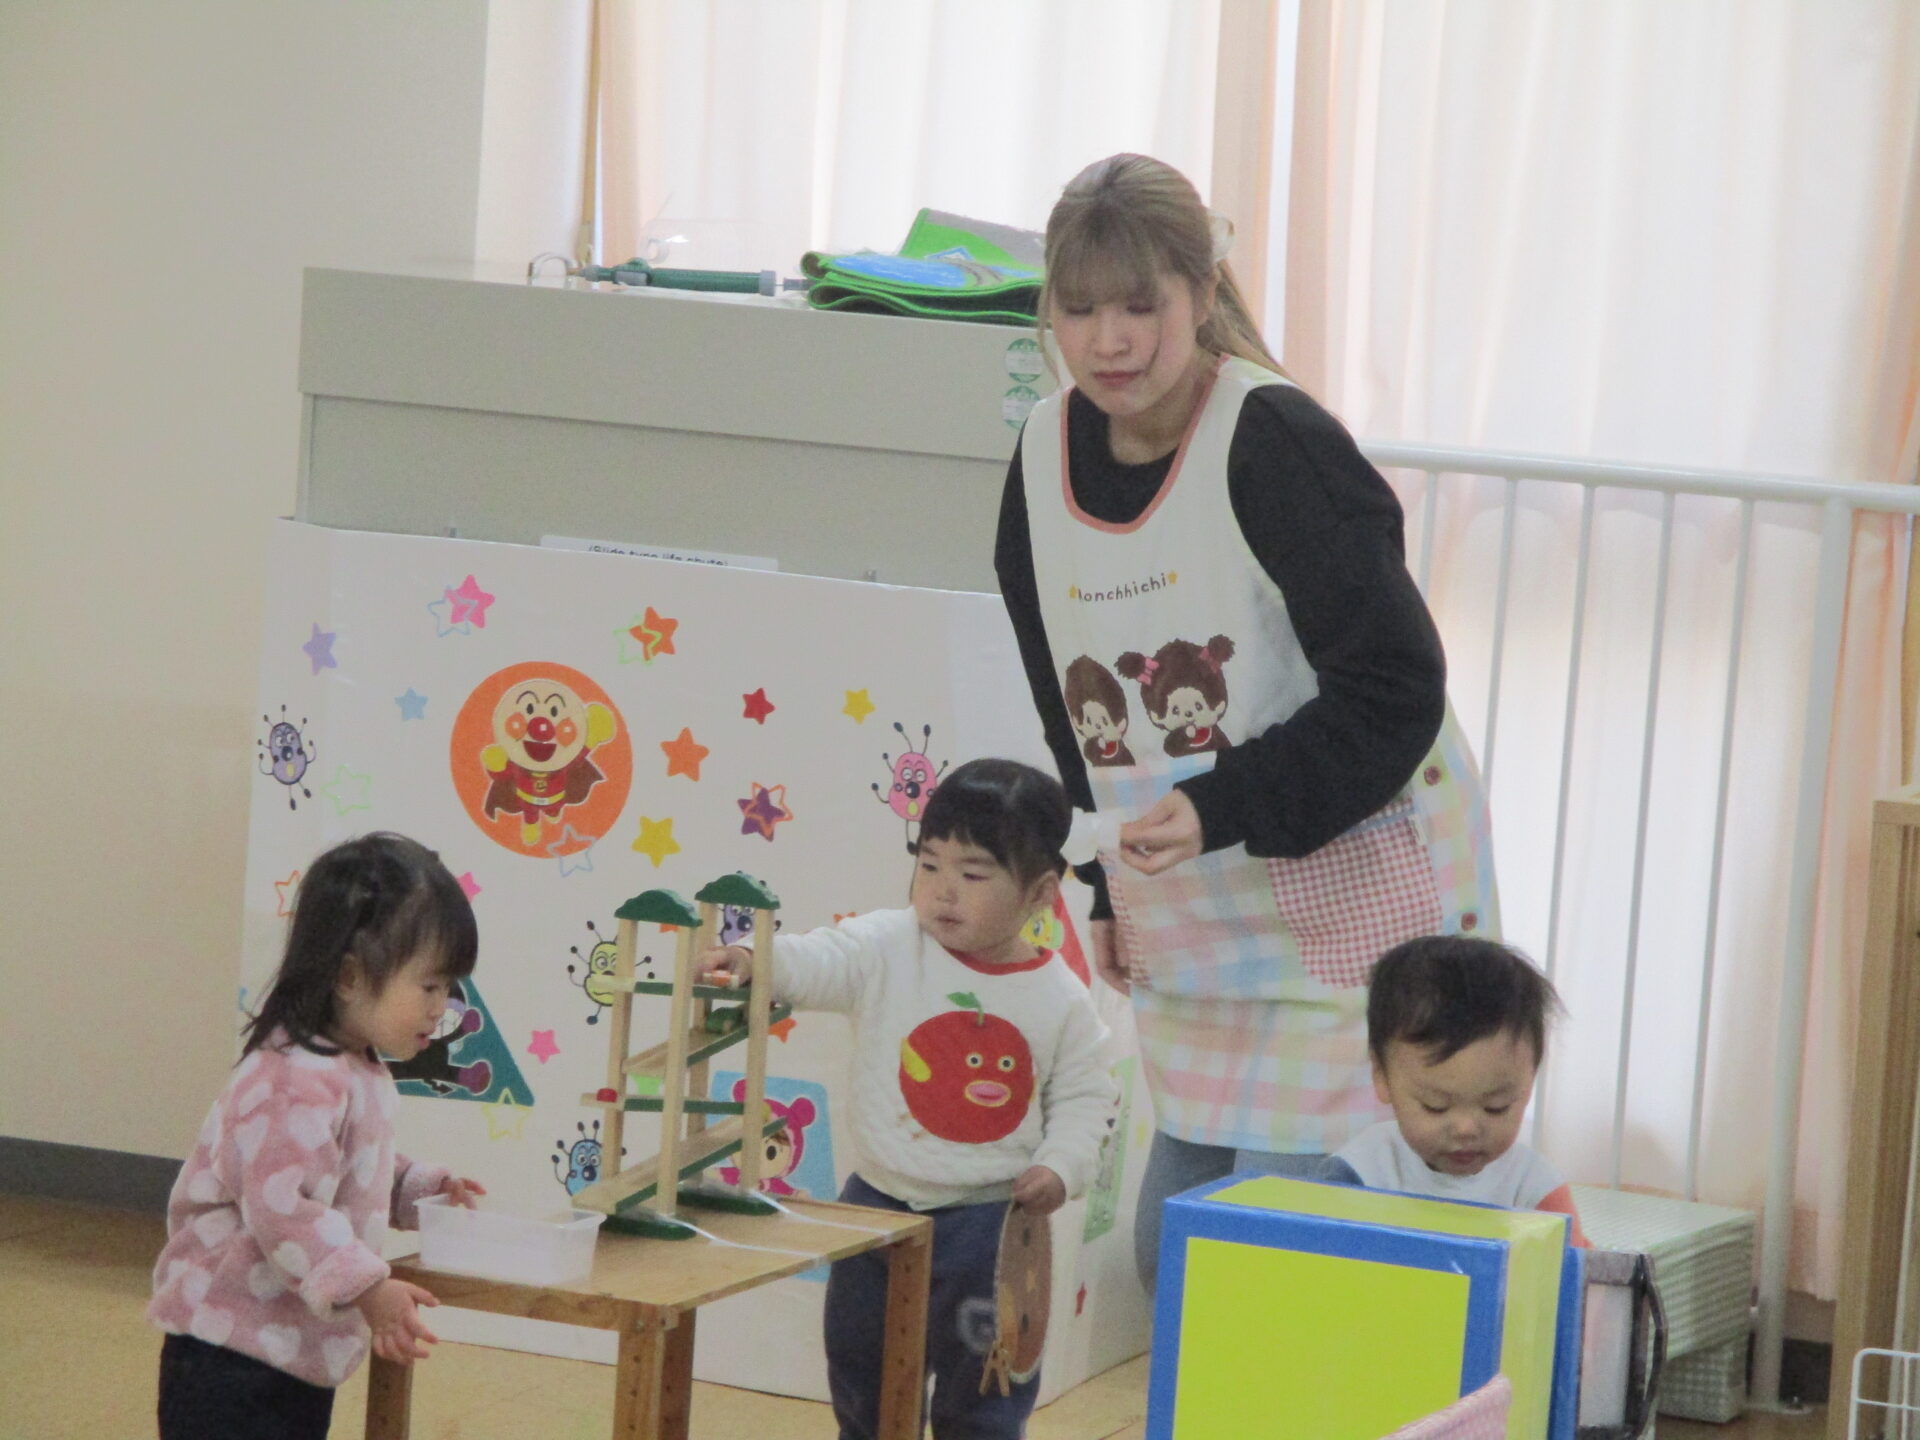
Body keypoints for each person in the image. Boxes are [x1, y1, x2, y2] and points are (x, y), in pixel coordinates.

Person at [994, 153, 1500, 1291]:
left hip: (1347, 915)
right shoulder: (1039, 458)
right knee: (1168, 1261)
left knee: (1263, 1273)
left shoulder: (1275, 442)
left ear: (1202, 289)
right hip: (1198, 922)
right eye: (1080, 309)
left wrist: (1221, 803)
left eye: (1141, 306)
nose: (1110, 341)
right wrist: (1105, 885)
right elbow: (1071, 711)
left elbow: (1395, 689)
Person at [700, 758, 1113, 1440]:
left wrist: (1061, 1166)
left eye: (973, 874)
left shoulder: (1060, 997)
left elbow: (1086, 1096)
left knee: (985, 1389)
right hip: (875, 1206)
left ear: (1041, 893)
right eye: (928, 865)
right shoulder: (889, 946)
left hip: (990, 1225)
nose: (943, 890)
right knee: (861, 1371)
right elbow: (821, 957)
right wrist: (753, 960)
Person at [149, 832, 488, 1440]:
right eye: (429, 986)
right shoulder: (293, 1076)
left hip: (288, 1350)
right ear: (350, 976)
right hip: (230, 1353)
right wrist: (370, 1288)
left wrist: (417, 1186)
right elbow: (285, 1206)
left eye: (448, 989)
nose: (441, 1008)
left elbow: (347, 1166)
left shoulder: (352, 1065)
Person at [1327, 935, 1588, 1245]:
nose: (1466, 1129)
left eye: (1496, 1107)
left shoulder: (1534, 1190)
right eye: (1435, 1106)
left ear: (1529, 1081)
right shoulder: (1360, 1172)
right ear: (1381, 1076)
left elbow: (1579, 1268)